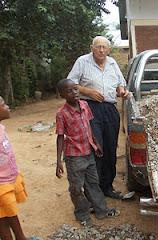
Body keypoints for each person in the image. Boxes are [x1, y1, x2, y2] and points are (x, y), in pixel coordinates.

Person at [67, 36, 129, 199]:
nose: (101, 50)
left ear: (108, 49)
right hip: (89, 108)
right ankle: (94, 192)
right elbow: (70, 84)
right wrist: (88, 92)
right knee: (96, 148)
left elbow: (120, 84)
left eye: (104, 47)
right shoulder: (82, 61)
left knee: (110, 148)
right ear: (92, 48)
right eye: (98, 47)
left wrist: (122, 91)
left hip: (110, 108)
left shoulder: (112, 63)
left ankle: (107, 187)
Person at [55, 79, 120, 226]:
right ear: (62, 95)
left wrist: (96, 144)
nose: (75, 92)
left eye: (76, 89)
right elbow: (60, 137)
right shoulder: (62, 114)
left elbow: (89, 126)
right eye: (69, 91)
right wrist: (59, 160)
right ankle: (82, 214)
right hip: (74, 157)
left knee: (93, 183)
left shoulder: (85, 105)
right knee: (76, 187)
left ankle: (101, 210)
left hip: (89, 152)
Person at [0, 96, 28, 240]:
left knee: (7, 212)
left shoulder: (1, 128)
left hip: (9, 178)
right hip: (1, 184)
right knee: (3, 215)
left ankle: (20, 236)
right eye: (4, 105)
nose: (8, 107)